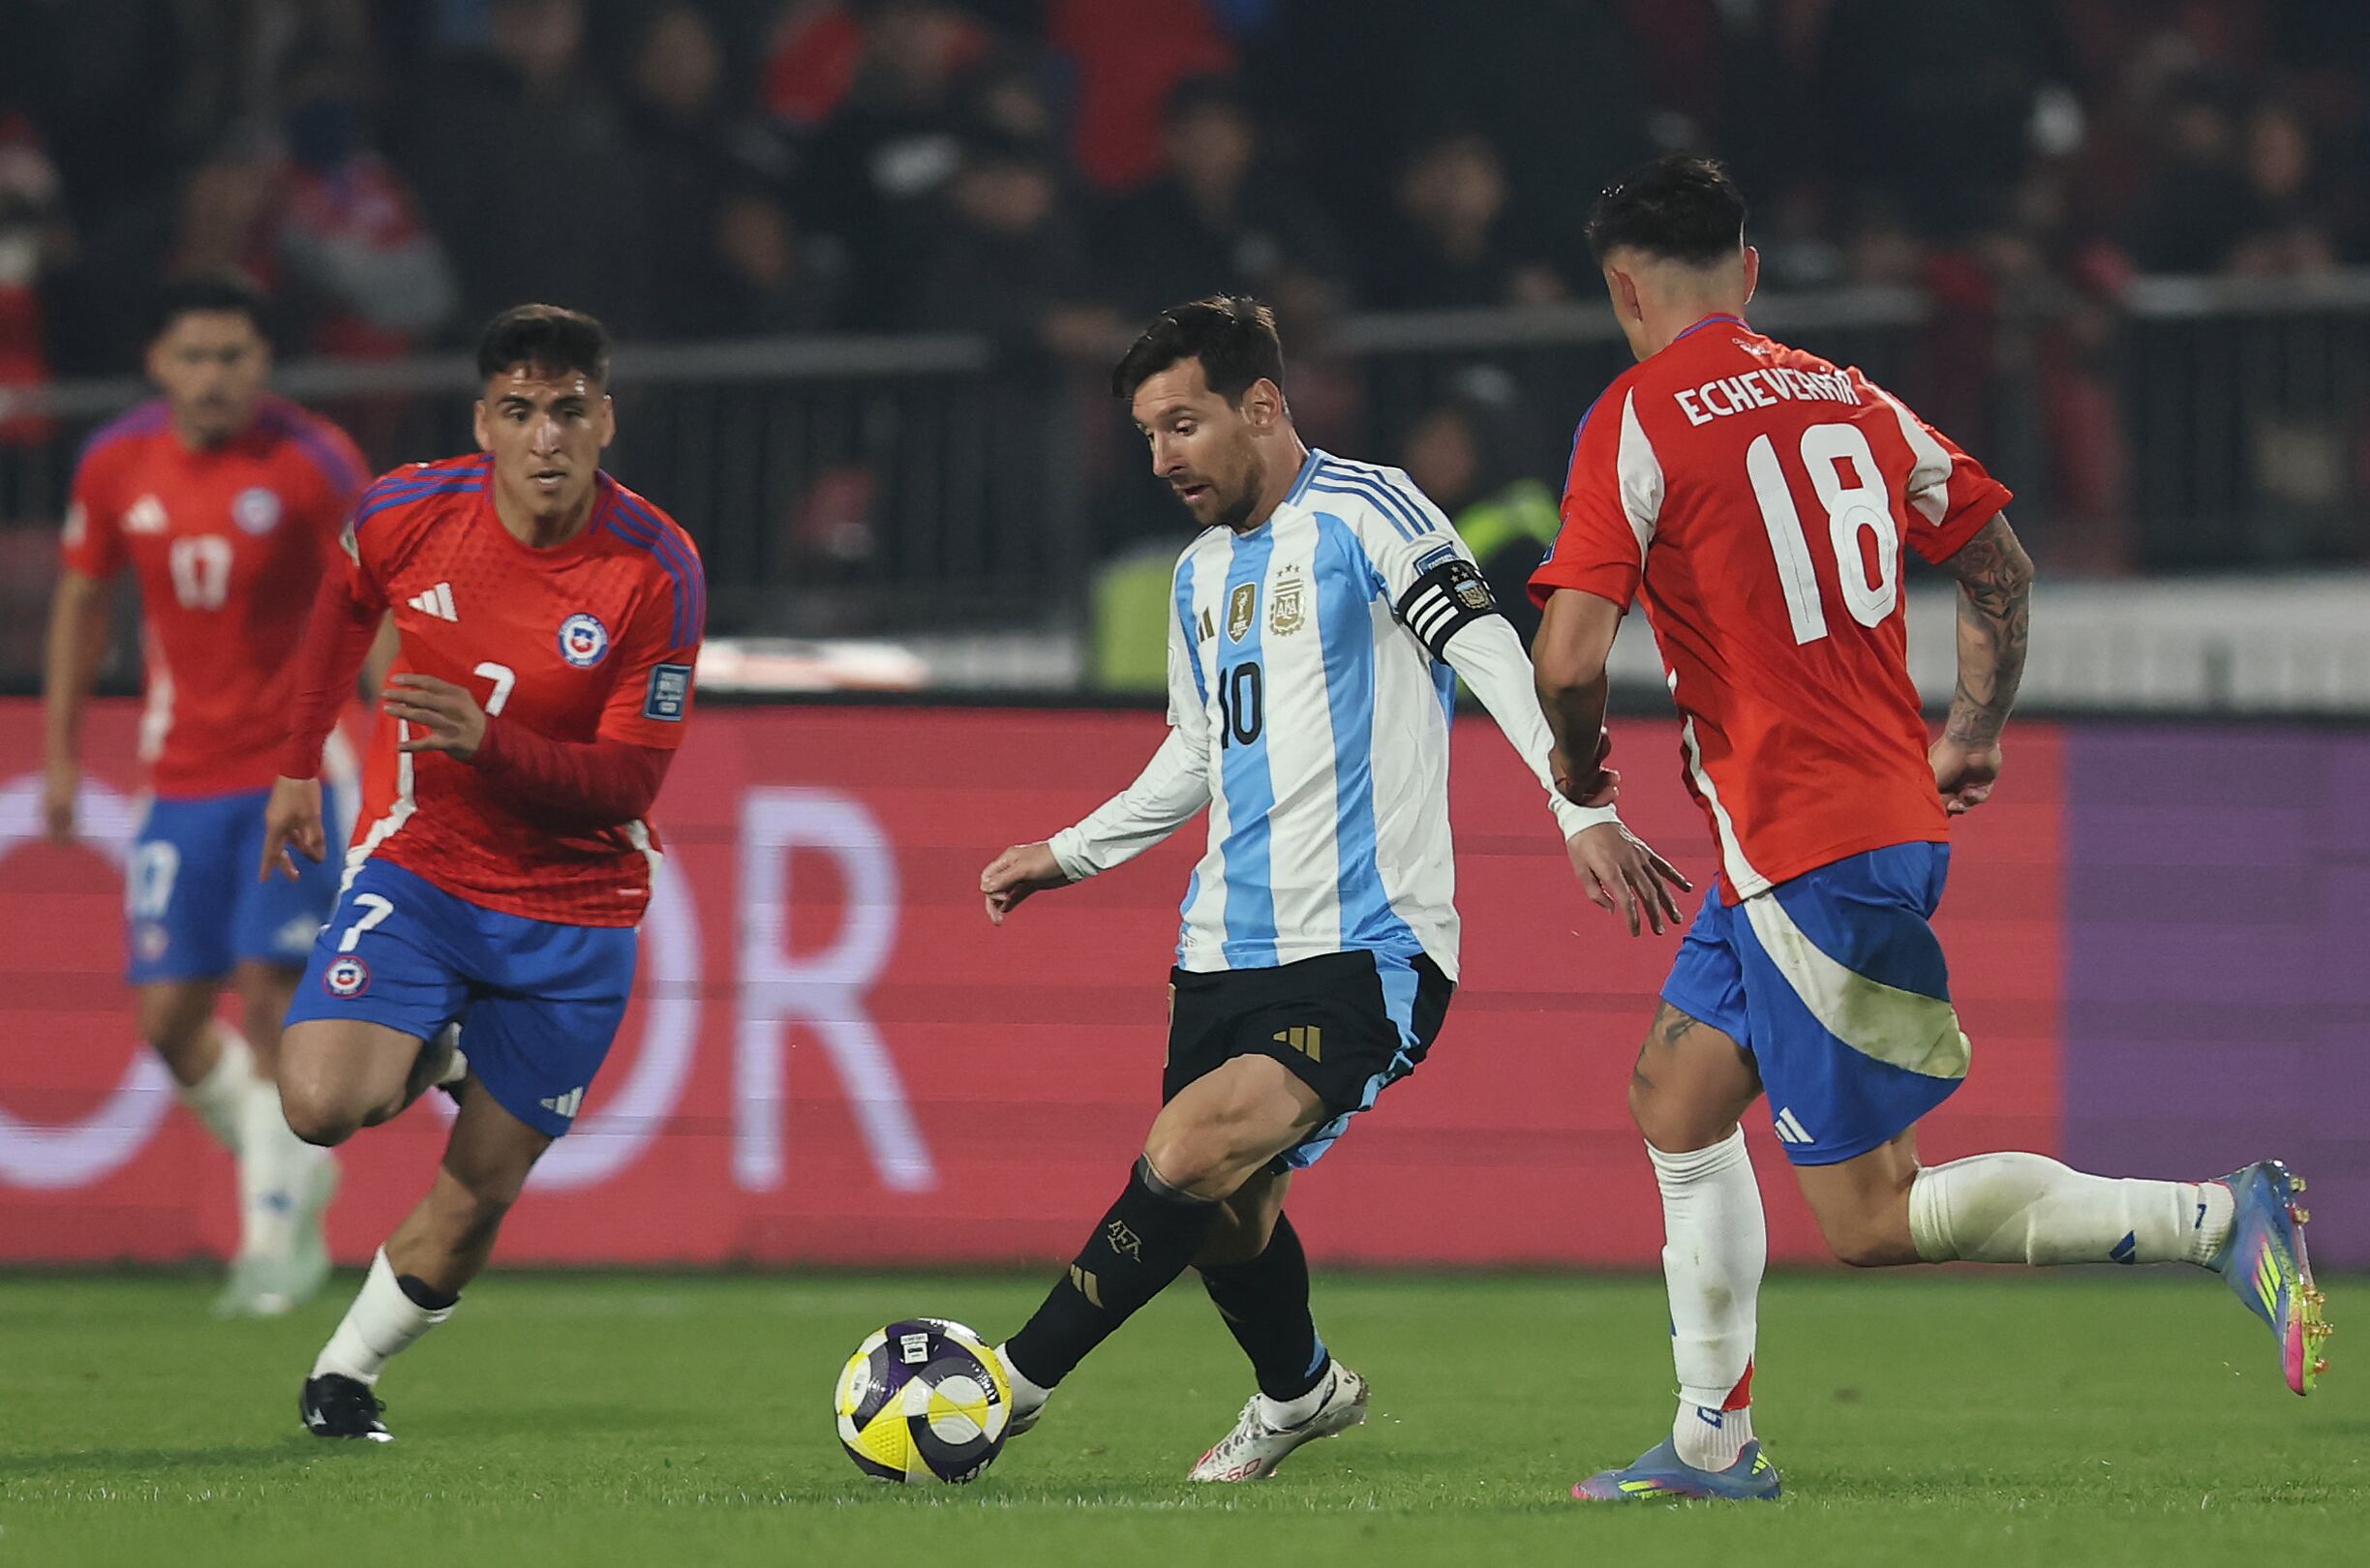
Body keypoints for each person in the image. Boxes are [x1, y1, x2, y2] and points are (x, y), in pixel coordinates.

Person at [1527, 155, 2327, 1505]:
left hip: (1804, 842)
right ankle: (1713, 1443)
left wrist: (1584, 781)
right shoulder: (1847, 393)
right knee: (1675, 1103)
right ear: (1754, 274)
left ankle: (2216, 1218)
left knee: (1874, 1218)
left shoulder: (1636, 415)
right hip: (1827, 825)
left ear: (1623, 290)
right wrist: (1974, 729)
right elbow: (1998, 559)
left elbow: (1567, 656)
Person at [978, 295, 1688, 1483]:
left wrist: (1582, 808)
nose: (1163, 459)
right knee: (1229, 1214)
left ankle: (1007, 1385)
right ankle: (1302, 1391)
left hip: (1367, 945)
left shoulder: (1370, 513)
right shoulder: (1200, 576)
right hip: (1218, 946)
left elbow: (1485, 648)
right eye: (1150, 434)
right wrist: (1071, 851)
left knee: (1190, 1151)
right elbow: (1197, 750)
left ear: (1262, 405)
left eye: (1185, 424)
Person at [259, 304, 705, 1442]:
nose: (545, 437)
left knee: (479, 1195)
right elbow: (340, 608)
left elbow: (626, 790)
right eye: (520, 411)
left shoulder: (656, 568)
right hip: (424, 870)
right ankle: (437, 1042)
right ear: (485, 423)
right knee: (319, 1105)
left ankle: (345, 1376)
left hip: (575, 911)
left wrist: (483, 740)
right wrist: (300, 762)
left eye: (566, 411)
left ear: (604, 418)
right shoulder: (406, 512)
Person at [43, 273, 365, 1316]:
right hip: (178, 775)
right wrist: (58, 753)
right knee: (170, 1020)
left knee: (271, 997)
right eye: (195, 356)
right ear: (157, 363)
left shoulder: (312, 461)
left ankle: (269, 1243)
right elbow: (84, 602)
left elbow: (378, 597)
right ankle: (290, 1167)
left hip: (294, 772)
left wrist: (400, 739)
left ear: (264, 364)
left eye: (234, 356)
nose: (214, 376)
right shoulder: (116, 462)